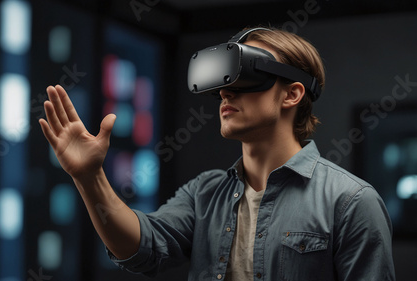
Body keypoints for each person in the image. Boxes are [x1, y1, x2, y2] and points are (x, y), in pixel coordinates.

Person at [39, 27, 396, 281]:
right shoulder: (204, 193)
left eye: (246, 77)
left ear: (291, 94)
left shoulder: (350, 202)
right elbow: (142, 250)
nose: (226, 93)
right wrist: (89, 177)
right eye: (224, 82)